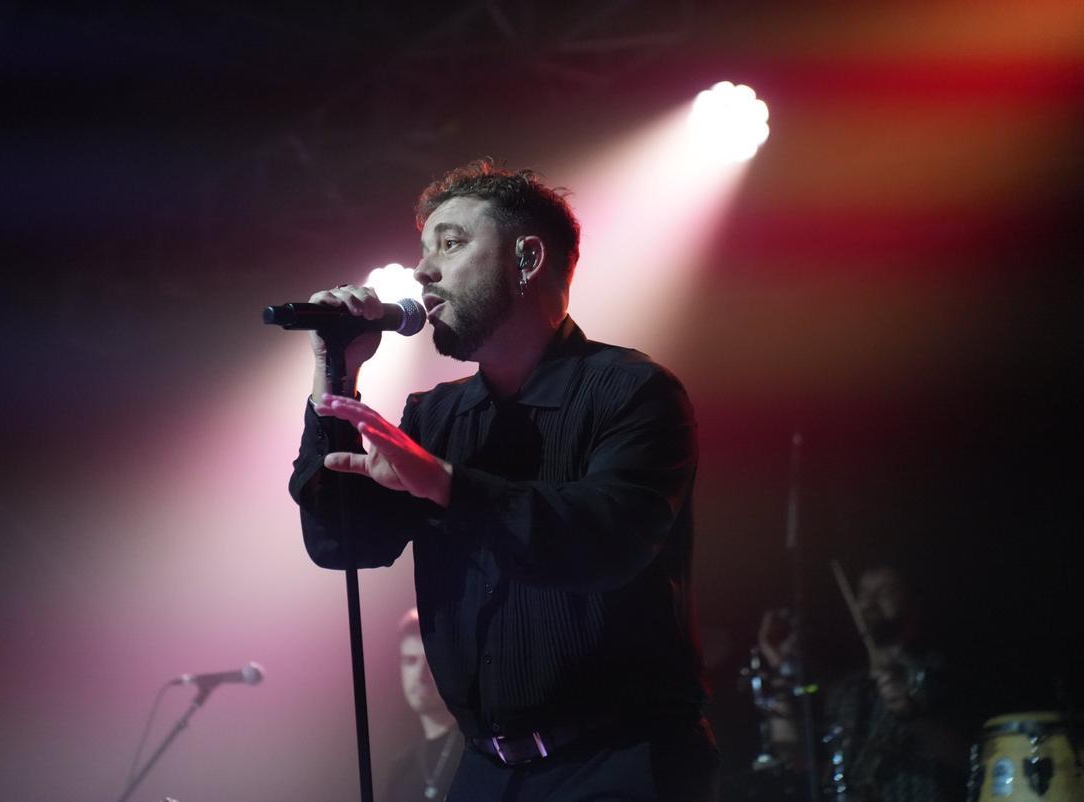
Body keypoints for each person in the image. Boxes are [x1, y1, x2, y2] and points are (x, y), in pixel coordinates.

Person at [289, 159, 717, 801]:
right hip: (487, 772)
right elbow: (345, 545)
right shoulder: (433, 416)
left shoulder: (633, 392)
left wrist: (448, 486)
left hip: (620, 766)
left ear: (527, 258)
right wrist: (337, 375)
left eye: (451, 243)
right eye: (422, 250)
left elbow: (605, 540)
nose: (422, 271)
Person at [756, 564, 968, 802]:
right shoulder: (849, 688)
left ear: (915, 601)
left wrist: (910, 713)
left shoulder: (944, 671)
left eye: (885, 591)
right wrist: (782, 673)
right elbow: (795, 757)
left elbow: (969, 755)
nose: (868, 603)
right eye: (863, 594)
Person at [385, 608, 463, 802]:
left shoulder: (480, 752)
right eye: (410, 661)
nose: (421, 675)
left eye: (430, 661)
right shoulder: (400, 770)